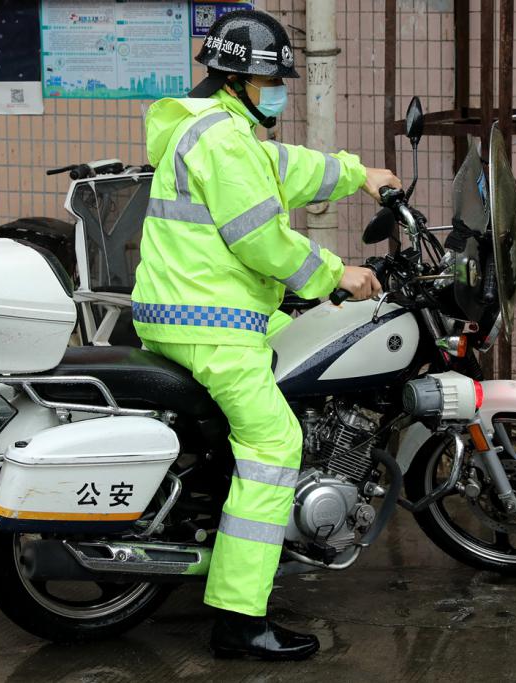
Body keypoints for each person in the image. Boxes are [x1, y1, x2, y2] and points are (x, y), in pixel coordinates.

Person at [131, 9, 401, 661]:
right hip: (210, 323)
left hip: (203, 311)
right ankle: (238, 618)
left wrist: (358, 173)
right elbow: (261, 240)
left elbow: (286, 167)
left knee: (311, 345)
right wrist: (341, 274)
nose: (280, 89)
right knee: (274, 440)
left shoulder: (219, 130)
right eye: (272, 80)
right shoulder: (223, 140)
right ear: (239, 79)